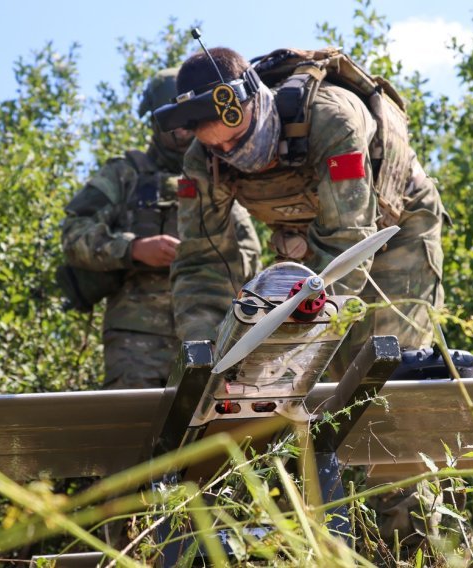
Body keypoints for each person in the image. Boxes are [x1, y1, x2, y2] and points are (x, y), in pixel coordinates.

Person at [157, 47, 452, 554]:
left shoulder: (330, 118)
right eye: (221, 147)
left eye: (239, 135)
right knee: (296, 393)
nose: (234, 152)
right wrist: (209, 360)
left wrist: (289, 336)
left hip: (392, 232)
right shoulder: (202, 162)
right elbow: (203, 264)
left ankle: (416, 547)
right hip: (309, 243)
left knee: (388, 384)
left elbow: (347, 244)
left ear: (254, 97)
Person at [60, 67, 261, 390]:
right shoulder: (125, 174)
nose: (185, 127)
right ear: (157, 118)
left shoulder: (217, 174)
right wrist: (133, 249)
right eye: (176, 118)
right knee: (132, 427)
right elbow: (74, 234)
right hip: (138, 339)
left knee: (208, 426)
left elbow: (250, 252)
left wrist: (206, 257)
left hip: (210, 328)